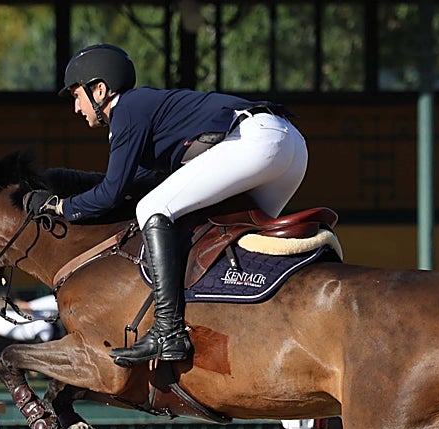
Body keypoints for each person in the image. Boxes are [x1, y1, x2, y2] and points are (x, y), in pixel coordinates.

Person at [25, 43, 308, 367]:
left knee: (152, 209)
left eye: (76, 96)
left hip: (256, 141)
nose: (76, 108)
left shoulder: (127, 110)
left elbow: (112, 194)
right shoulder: (145, 111)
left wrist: (59, 208)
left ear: (100, 90)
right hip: (291, 145)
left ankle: (168, 331)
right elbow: (133, 183)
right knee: (235, 233)